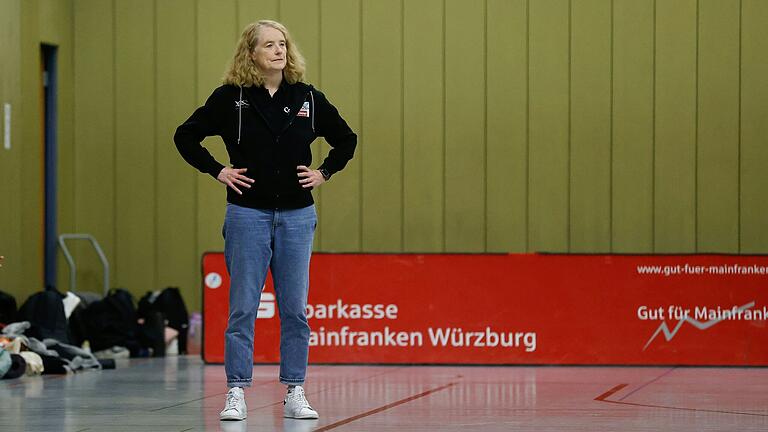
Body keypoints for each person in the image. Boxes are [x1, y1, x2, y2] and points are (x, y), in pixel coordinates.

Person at [174, 20, 356, 421]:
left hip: (296, 215)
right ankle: (236, 390)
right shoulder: (229, 99)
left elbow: (347, 138)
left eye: (283, 44)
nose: (279, 50)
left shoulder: (307, 96)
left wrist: (323, 173)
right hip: (247, 214)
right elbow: (185, 136)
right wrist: (217, 169)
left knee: (295, 309)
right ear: (251, 54)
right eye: (269, 45)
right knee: (242, 307)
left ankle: (295, 390)